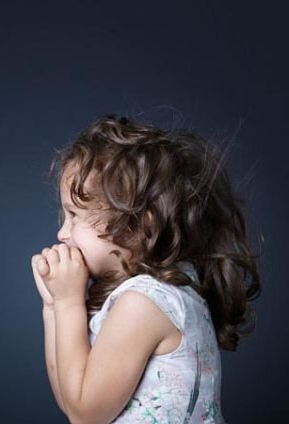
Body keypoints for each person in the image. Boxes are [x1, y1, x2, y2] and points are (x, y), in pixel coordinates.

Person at [31, 116, 260, 423]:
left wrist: (68, 302)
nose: (62, 233)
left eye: (74, 215)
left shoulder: (145, 303)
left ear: (140, 224)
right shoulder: (159, 290)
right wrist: (52, 307)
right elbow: (71, 397)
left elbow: (84, 414)